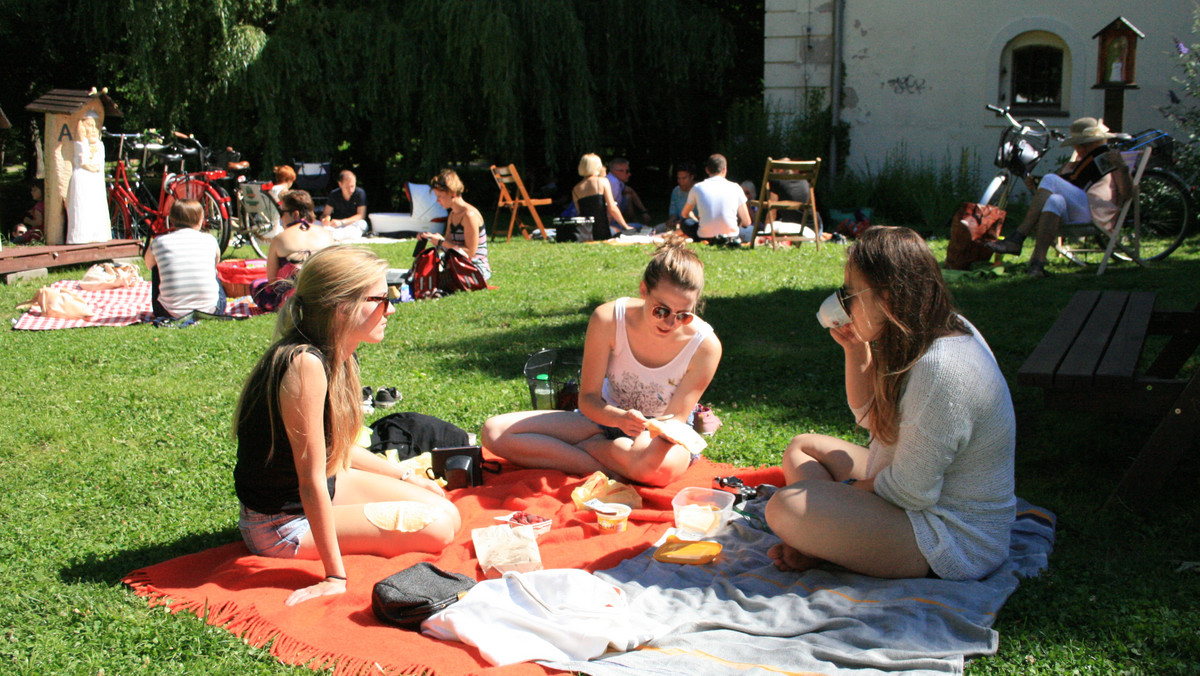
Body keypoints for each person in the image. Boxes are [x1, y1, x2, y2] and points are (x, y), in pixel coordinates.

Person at [765, 226, 1015, 581]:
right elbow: (870, 416)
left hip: (950, 537)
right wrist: (855, 348)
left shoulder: (939, 368)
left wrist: (841, 497)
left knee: (786, 507)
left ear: (886, 298)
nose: (844, 302)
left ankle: (819, 539)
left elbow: (912, 492)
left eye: (851, 293)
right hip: (913, 487)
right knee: (803, 447)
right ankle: (824, 536)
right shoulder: (937, 329)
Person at [233, 246, 460, 606]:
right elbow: (309, 481)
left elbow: (337, 451)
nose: (393, 309)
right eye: (383, 299)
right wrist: (334, 575)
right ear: (342, 306)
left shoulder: (338, 351)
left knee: (446, 508)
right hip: (280, 526)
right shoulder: (304, 364)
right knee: (439, 526)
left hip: (331, 483)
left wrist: (405, 477)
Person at [481, 234, 722, 487]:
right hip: (602, 420)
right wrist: (618, 420)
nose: (670, 323)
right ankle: (604, 465)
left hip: (660, 432)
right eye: (661, 310)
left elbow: (675, 422)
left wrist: (642, 434)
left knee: (656, 469)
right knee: (493, 432)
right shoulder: (609, 319)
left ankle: (582, 452)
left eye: (683, 315)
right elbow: (588, 400)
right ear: (643, 290)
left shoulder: (705, 346)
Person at [986, 117, 1133, 278]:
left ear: (1100, 143)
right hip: (1073, 213)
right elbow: (1047, 196)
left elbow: (1128, 194)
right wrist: (1035, 186)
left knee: (1050, 179)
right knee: (1054, 200)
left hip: (1097, 214)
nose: (1083, 150)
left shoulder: (1112, 161)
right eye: (1079, 146)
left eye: (1089, 145)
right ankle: (1037, 263)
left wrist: (1123, 168)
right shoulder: (1071, 165)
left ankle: (1018, 237)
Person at [252, 190, 335, 312]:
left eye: (282, 212)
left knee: (256, 285)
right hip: (324, 295)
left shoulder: (280, 239)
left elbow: (272, 281)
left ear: (295, 214)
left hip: (293, 300)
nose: (281, 217)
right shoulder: (327, 235)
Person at [144, 199, 226, 318]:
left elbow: (149, 264)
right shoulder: (210, 240)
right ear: (200, 220)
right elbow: (215, 263)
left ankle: (171, 301)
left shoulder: (159, 242)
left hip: (169, 312)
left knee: (157, 267)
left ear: (171, 220)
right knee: (211, 270)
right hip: (212, 309)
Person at [419, 169, 492, 280]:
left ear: (452, 193)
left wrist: (441, 242)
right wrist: (430, 238)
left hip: (475, 269)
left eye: (440, 196)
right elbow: (448, 247)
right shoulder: (453, 214)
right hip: (458, 264)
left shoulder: (469, 215)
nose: (437, 200)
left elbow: (470, 253)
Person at [680, 154, 750, 247]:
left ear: (707, 170)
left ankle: (712, 237)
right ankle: (729, 239)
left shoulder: (697, 187)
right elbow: (747, 221)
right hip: (731, 235)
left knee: (685, 223)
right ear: (725, 169)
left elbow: (684, 214)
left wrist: (698, 222)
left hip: (704, 236)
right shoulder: (735, 187)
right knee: (751, 229)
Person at [66, 111, 110, 244]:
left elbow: (99, 163)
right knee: (82, 207)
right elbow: (83, 161)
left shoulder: (99, 145)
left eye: (96, 126)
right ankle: (80, 237)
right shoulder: (81, 143)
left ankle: (98, 235)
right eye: (90, 126)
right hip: (84, 179)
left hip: (96, 179)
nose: (94, 130)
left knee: (96, 207)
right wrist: (93, 167)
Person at [572, 153, 631, 241]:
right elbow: (612, 208)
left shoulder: (576, 189)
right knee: (623, 229)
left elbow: (580, 212)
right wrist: (626, 226)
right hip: (602, 230)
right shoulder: (602, 181)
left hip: (586, 232)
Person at [322, 170, 369, 240]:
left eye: (352, 186)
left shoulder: (360, 193)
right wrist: (325, 219)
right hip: (337, 225)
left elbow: (361, 215)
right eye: (347, 187)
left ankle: (335, 235)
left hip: (353, 223)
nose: (350, 190)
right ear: (340, 184)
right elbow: (325, 213)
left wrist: (342, 222)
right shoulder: (334, 194)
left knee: (362, 223)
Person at [606, 157, 651, 228]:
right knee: (643, 228)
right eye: (626, 171)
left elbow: (631, 191)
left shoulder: (617, 181)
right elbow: (611, 208)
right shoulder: (613, 183)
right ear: (615, 171)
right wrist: (625, 227)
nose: (629, 174)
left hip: (612, 220)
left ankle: (632, 222)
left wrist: (644, 211)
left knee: (628, 197)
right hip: (609, 224)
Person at [666, 164, 698, 236]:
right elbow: (673, 211)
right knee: (657, 229)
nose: (681, 181)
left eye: (684, 178)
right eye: (679, 178)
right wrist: (671, 220)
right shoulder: (676, 191)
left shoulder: (699, 190)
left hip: (695, 225)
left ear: (691, 177)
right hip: (678, 224)